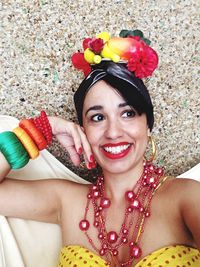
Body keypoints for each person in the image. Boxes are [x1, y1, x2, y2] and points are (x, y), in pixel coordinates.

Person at [0, 30, 200, 267]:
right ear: (83, 130)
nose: (113, 132)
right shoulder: (66, 201)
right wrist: (41, 129)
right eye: (97, 117)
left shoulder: (187, 197)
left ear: (148, 126)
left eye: (128, 113)